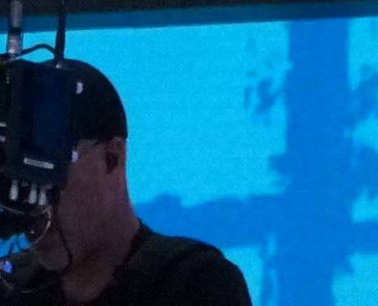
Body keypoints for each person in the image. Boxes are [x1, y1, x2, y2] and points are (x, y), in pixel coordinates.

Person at [26, 63, 245, 306]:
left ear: (113, 157)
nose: (33, 198)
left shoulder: (194, 282)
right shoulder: (7, 286)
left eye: (50, 169)